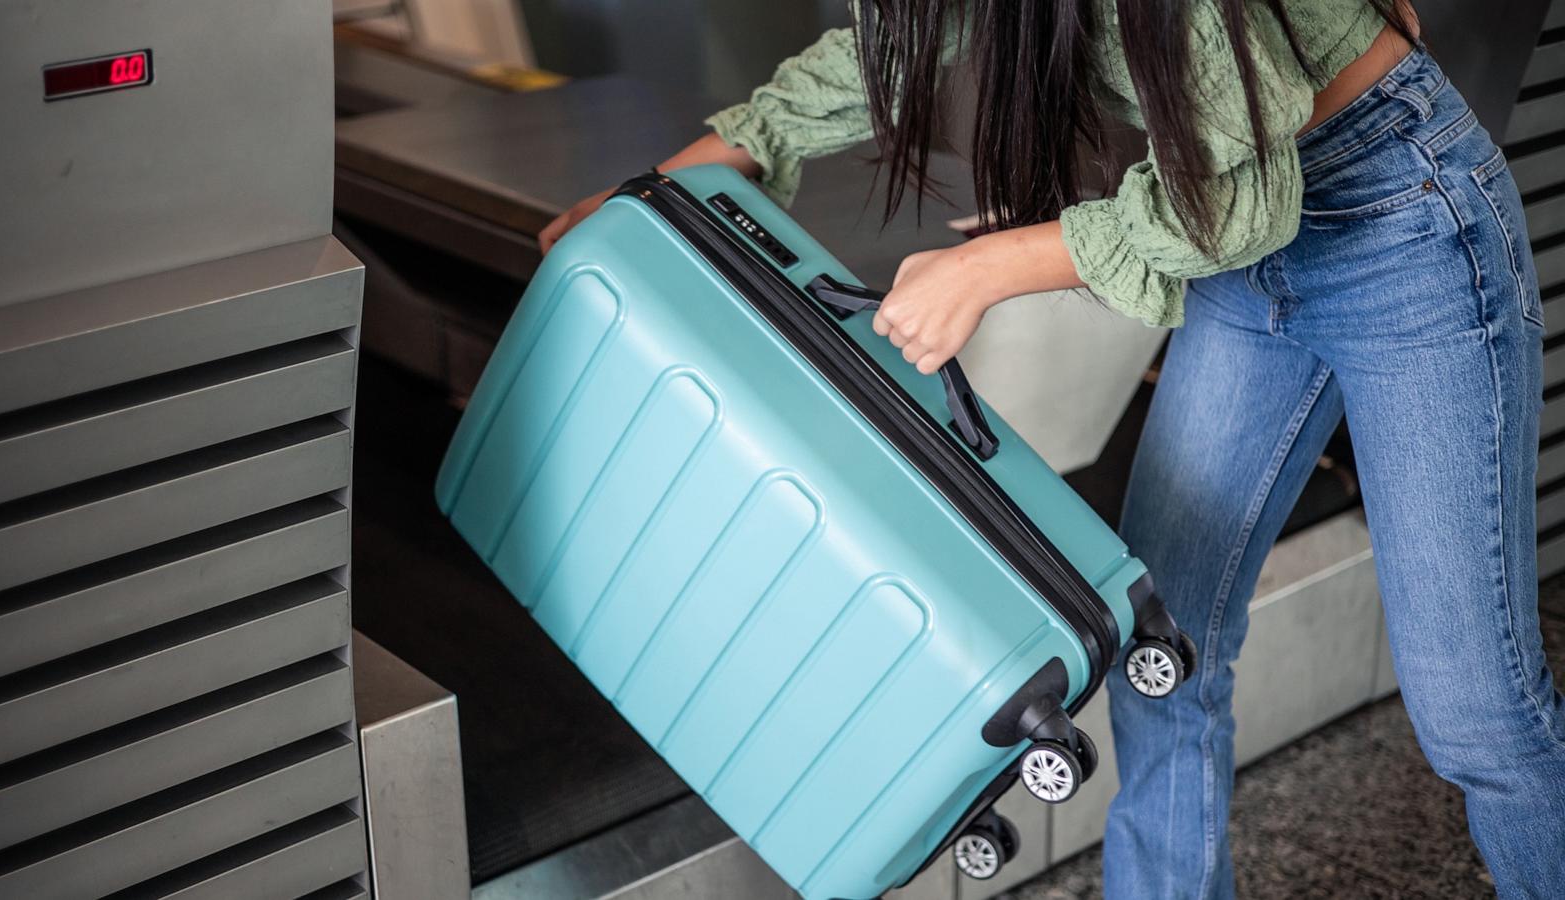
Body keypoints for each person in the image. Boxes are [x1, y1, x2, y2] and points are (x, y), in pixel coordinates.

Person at [540, 0, 1565, 895]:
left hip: (1399, 226)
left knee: (1475, 714)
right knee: (1163, 649)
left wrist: (985, 268)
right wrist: (655, 199)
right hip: (1240, 238)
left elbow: (1241, 200)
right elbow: (884, 51)